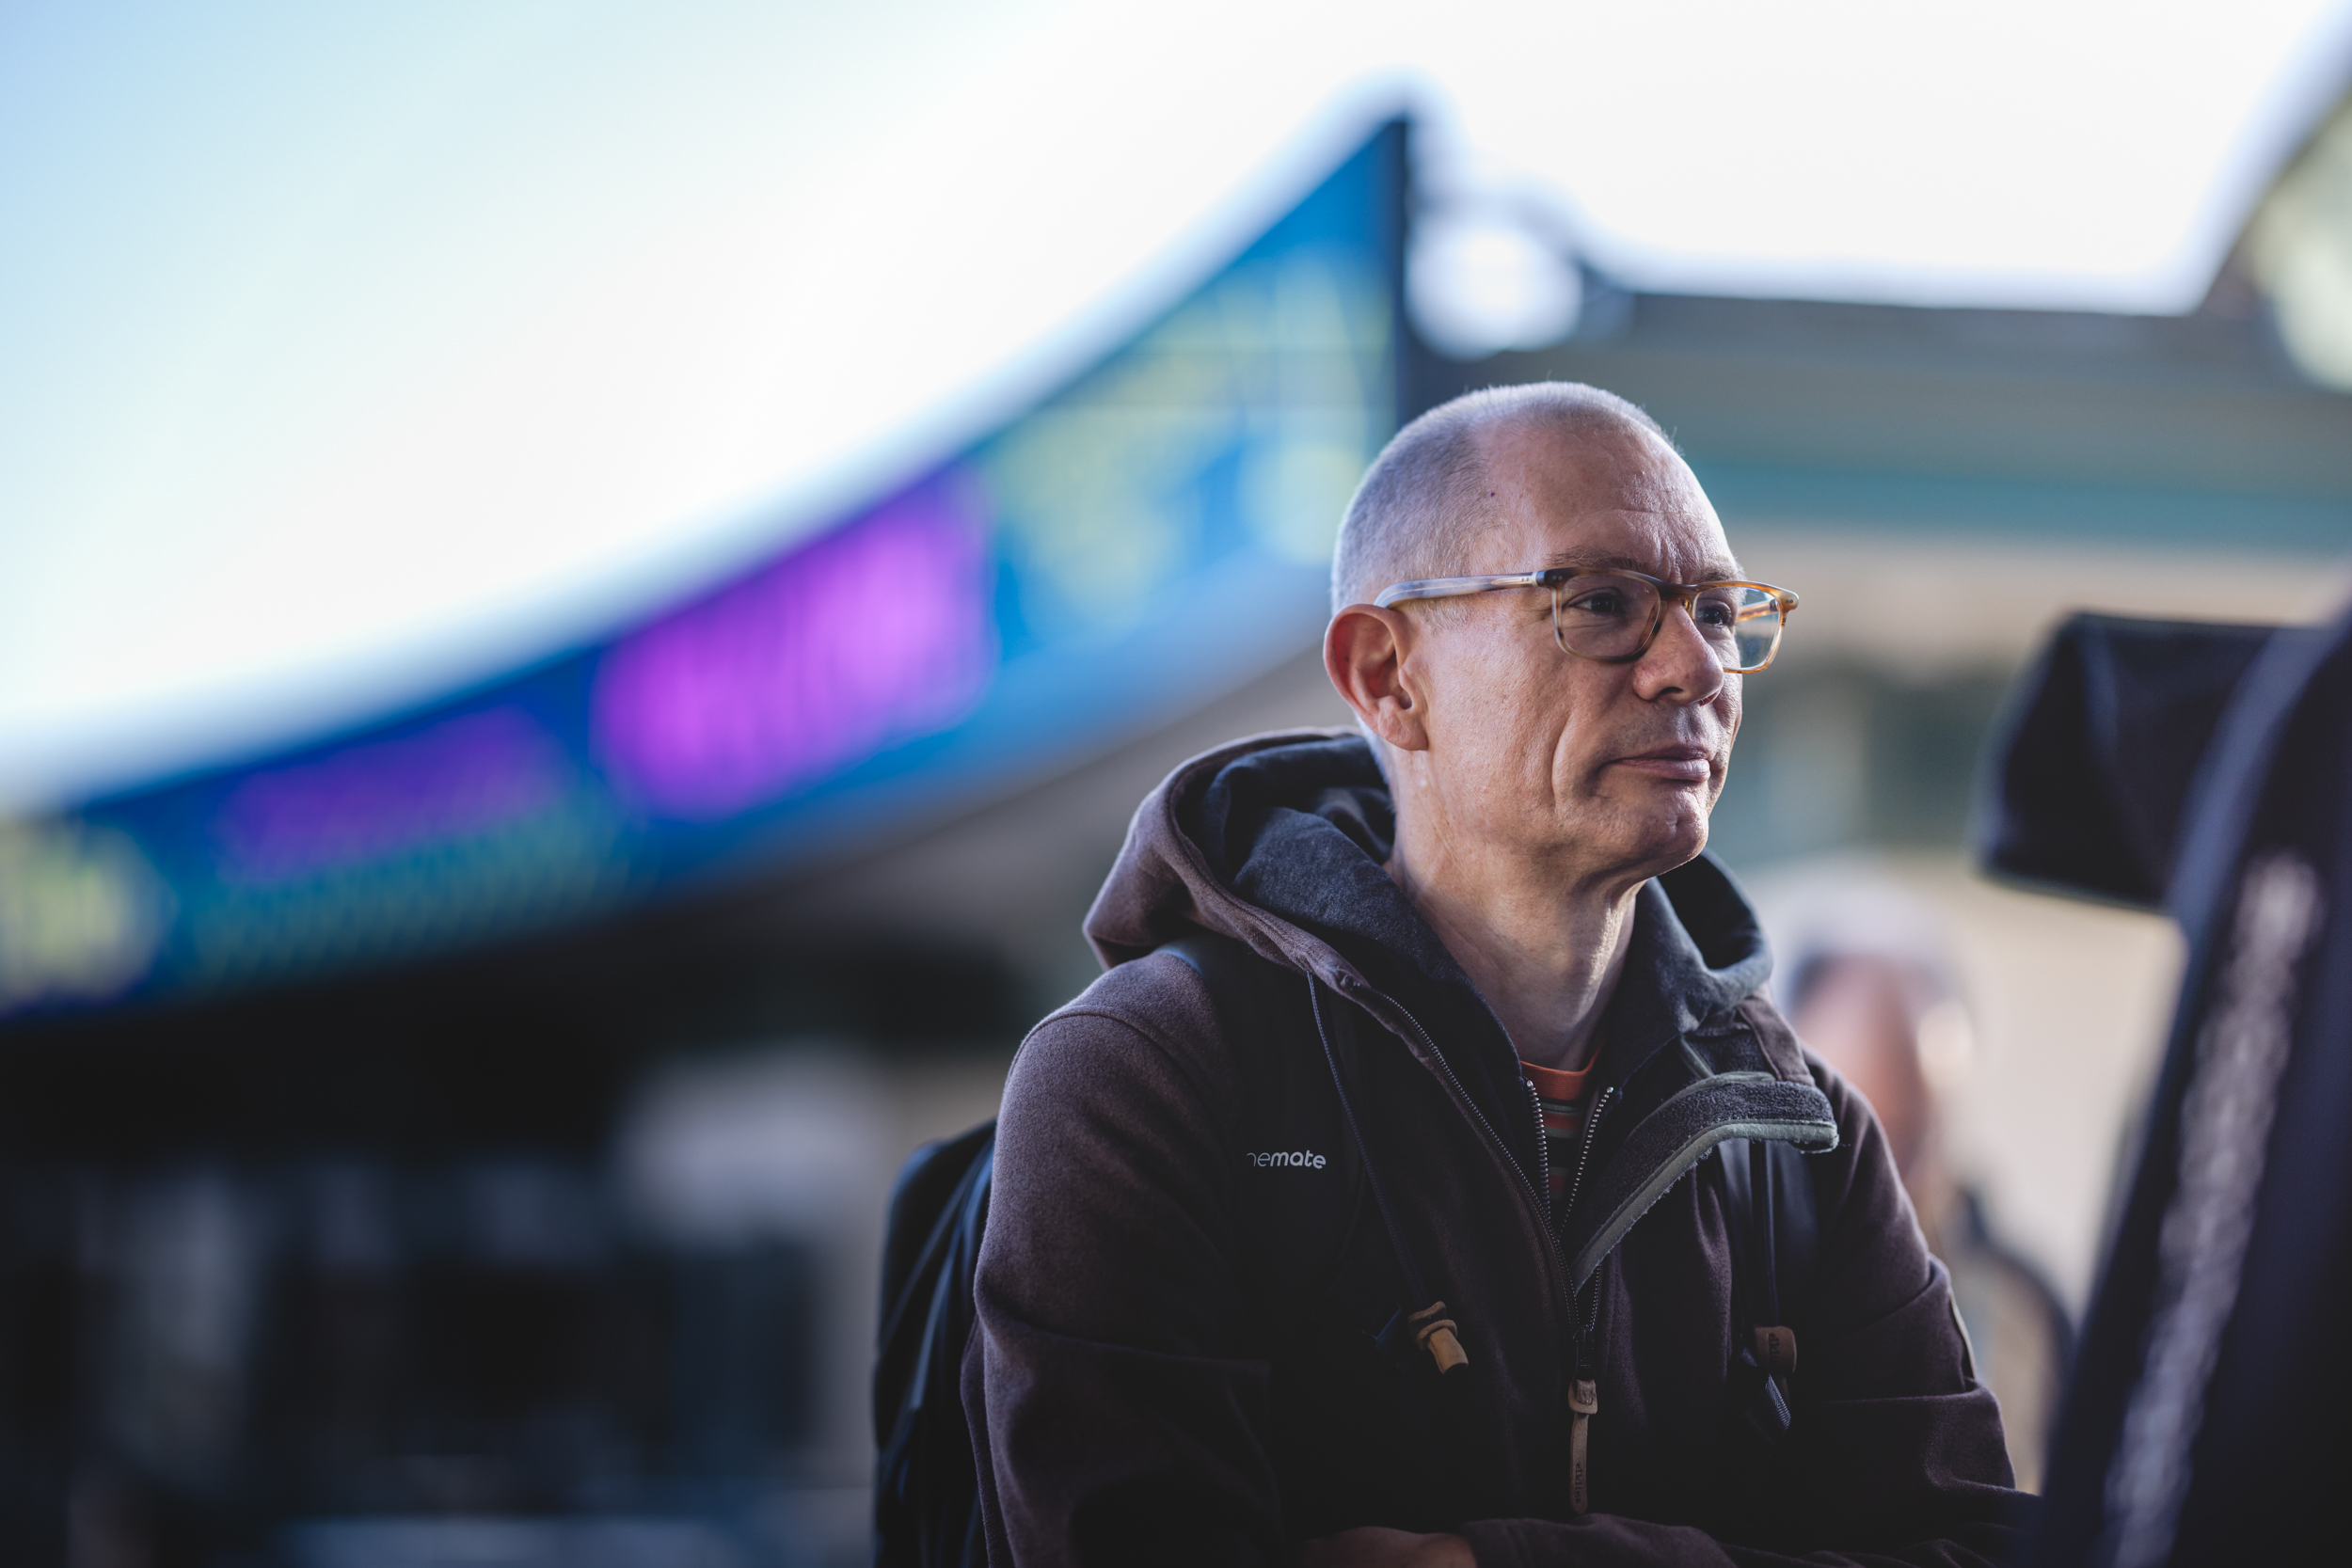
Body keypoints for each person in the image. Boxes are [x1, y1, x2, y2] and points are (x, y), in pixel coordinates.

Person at [966, 383, 2032, 1565]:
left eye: (1718, 610)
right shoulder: (1148, 1078)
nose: (1694, 666)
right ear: (1388, 675)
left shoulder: (1800, 1134)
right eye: (1604, 602)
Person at [1774, 890, 2074, 1493]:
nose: (1886, 1187)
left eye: (1909, 1142)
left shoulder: (2025, 1311)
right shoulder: (1739, 1303)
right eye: (1848, 1145)